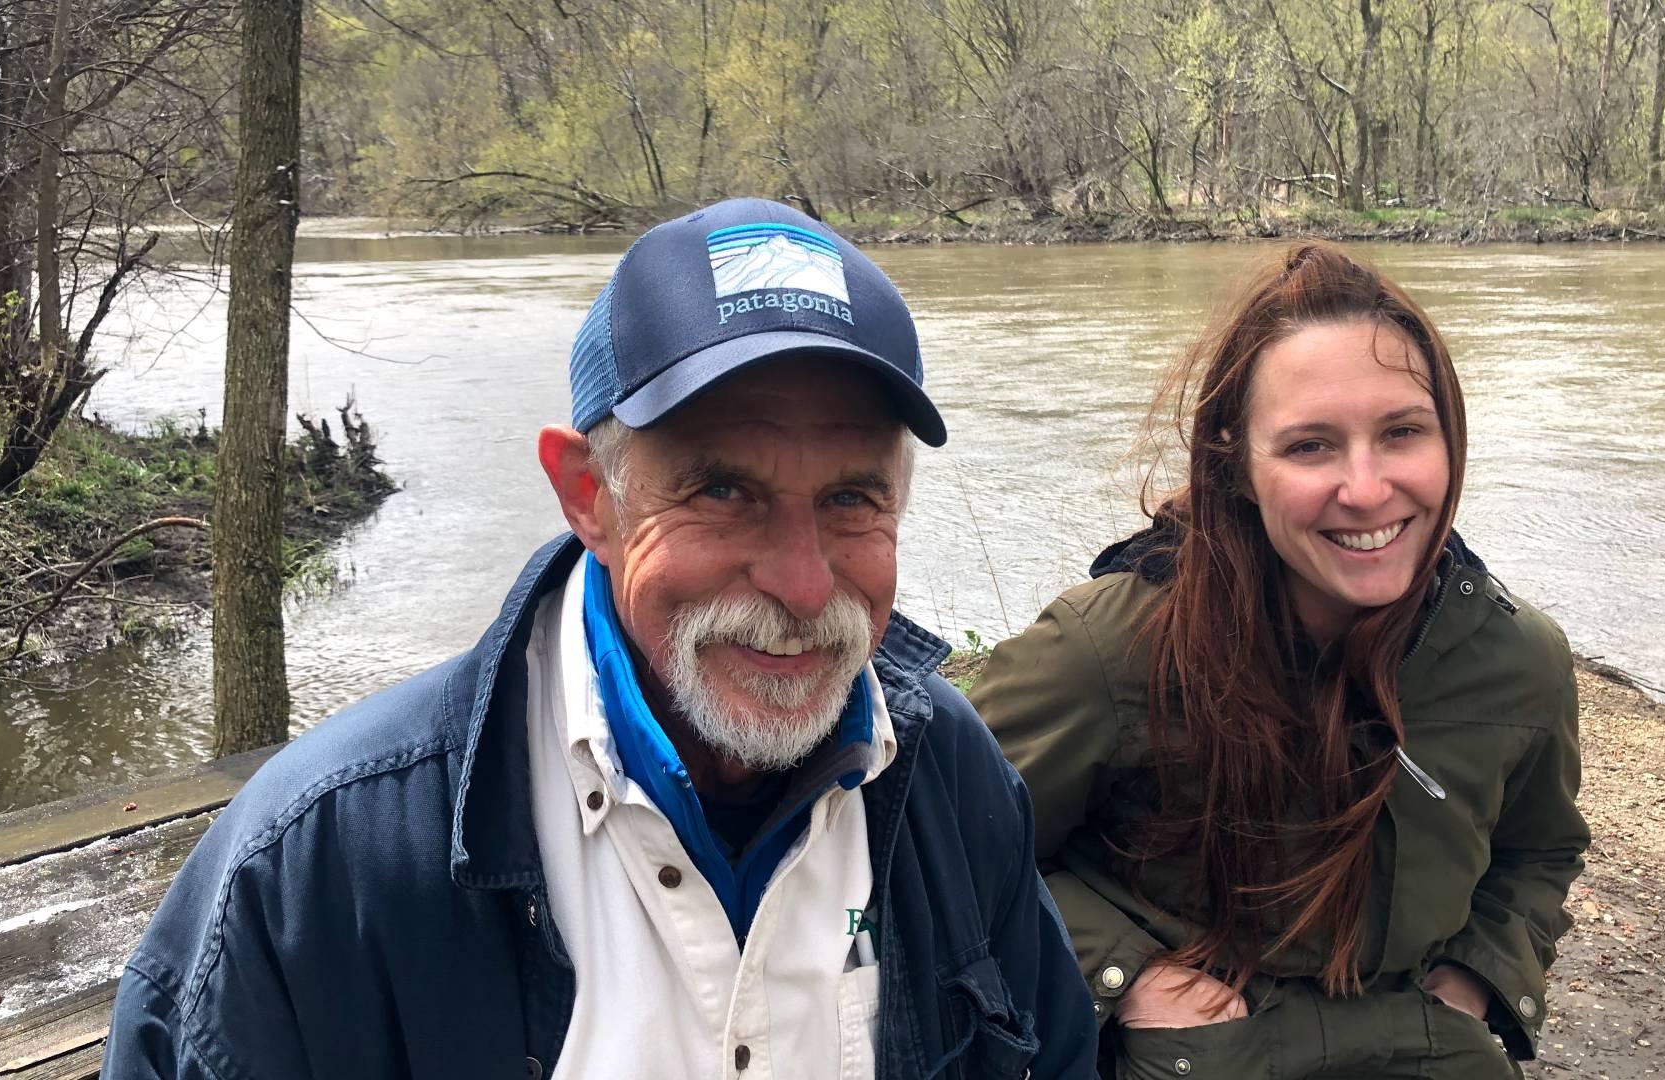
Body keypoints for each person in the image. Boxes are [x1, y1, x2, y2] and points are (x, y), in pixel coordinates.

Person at [102, 198, 1097, 1080]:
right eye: (722, 491)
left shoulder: (945, 779)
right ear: (589, 494)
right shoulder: (321, 870)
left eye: (851, 500)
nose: (801, 582)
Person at [970, 242, 1588, 1079]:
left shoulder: (1523, 664)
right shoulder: (1107, 650)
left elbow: (1538, 852)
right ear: (1237, 462)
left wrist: (1478, 980)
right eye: (1310, 447)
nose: (1366, 489)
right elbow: (956, 842)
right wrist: (1123, 972)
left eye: (1402, 432)